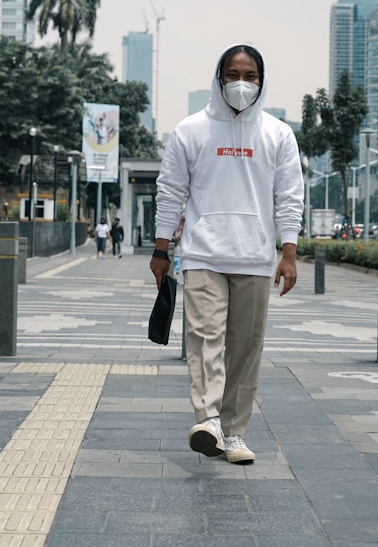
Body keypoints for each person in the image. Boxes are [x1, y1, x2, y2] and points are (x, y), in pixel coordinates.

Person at [149, 44, 303, 466]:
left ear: (261, 80)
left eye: (250, 75)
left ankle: (235, 433)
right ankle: (209, 420)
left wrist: (288, 251)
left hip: (254, 257)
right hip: (202, 255)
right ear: (218, 80)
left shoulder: (277, 134)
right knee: (204, 339)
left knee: (246, 346)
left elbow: (289, 197)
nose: (241, 83)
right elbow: (170, 192)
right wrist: (161, 248)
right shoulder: (190, 130)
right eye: (232, 74)